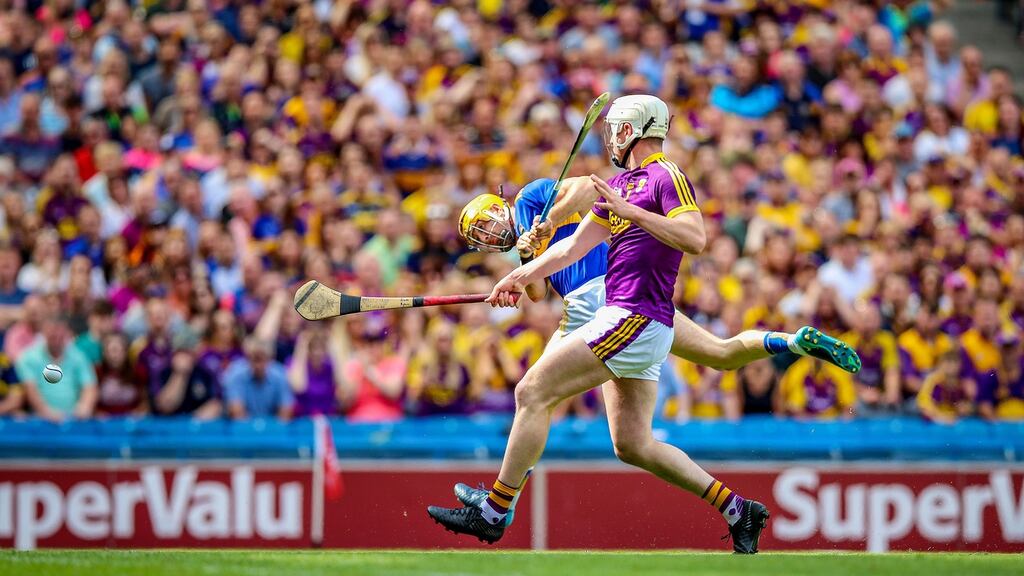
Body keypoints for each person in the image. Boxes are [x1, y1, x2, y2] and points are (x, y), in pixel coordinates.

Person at [429, 95, 858, 553]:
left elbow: (680, 232)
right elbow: (570, 250)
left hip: (621, 314)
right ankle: (739, 508)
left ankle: (496, 508)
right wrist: (521, 269)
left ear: (632, 129)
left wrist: (553, 221)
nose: (610, 139)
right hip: (624, 312)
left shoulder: (652, 178)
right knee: (637, 438)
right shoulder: (624, 185)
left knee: (533, 392)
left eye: (615, 130)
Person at [15, 313, 97, 422]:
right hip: (39, 420)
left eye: (61, 335)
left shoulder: (79, 356)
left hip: (74, 419)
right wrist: (46, 412)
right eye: (53, 335)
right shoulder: (28, 358)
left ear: (67, 333)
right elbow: (30, 389)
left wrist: (84, 407)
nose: (57, 339)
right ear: (44, 333)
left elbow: (89, 387)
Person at [223, 336, 294, 421]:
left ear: (270, 359)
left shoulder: (281, 375)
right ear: (248, 358)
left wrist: (269, 429)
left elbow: (285, 414)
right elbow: (237, 413)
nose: (258, 366)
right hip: (243, 430)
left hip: (272, 429)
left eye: (261, 360)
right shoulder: (235, 374)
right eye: (254, 359)